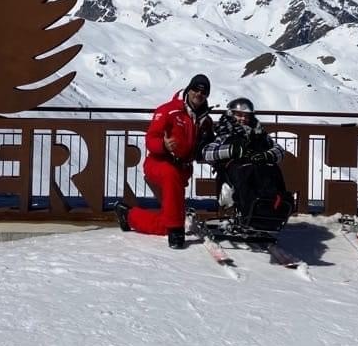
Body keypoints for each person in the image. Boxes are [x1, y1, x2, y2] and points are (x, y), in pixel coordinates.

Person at [114, 74, 215, 248]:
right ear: (189, 89)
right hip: (159, 164)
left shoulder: (206, 120)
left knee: (166, 223)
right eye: (196, 89)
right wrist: (164, 145)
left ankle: (129, 215)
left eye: (204, 92)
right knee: (171, 176)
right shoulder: (168, 110)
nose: (199, 94)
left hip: (182, 170)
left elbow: (204, 148)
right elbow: (150, 139)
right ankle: (176, 234)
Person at [202, 97, 292, 231]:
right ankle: (250, 213)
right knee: (246, 174)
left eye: (246, 116)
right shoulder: (225, 134)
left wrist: (266, 155)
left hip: (260, 170)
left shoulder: (260, 134)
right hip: (236, 172)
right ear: (231, 115)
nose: (243, 119)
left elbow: (279, 150)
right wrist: (232, 151)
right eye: (239, 115)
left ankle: (272, 211)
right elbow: (207, 152)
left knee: (272, 170)